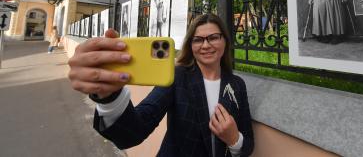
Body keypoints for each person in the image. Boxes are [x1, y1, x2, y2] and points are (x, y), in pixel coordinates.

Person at [68, 14, 254, 156]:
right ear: (190, 45)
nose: (205, 45)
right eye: (197, 39)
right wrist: (110, 97)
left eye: (213, 37)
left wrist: (234, 139)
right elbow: (137, 128)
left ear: (225, 41)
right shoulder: (176, 76)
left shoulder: (237, 85)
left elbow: (248, 144)